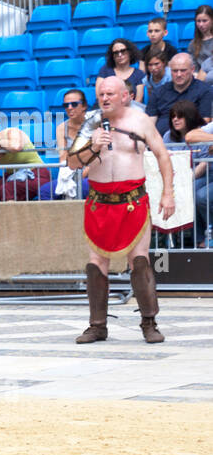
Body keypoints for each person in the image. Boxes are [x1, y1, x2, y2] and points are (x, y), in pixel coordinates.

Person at [67, 75, 175, 344]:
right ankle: (97, 326)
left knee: (139, 262)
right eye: (102, 94)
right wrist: (93, 145)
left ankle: (149, 322)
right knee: (96, 265)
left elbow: (162, 154)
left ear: (125, 96)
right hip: (99, 202)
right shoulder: (90, 123)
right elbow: (71, 163)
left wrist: (168, 192)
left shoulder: (141, 122)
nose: (104, 98)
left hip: (133, 202)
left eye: (110, 94)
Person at [0, 122, 51, 201]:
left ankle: (10, 215)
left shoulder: (10, 132)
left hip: (35, 175)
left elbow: (16, 147)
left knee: (8, 188)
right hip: (12, 177)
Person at [147, 53, 212, 137]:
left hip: (191, 143)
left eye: (183, 70)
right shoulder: (158, 92)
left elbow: (205, 122)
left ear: (192, 69)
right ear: (170, 71)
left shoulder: (205, 90)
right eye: (175, 71)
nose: (178, 74)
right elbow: (150, 122)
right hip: (161, 141)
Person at [42, 89, 89, 200]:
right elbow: (63, 157)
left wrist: (80, 175)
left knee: (83, 187)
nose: (69, 107)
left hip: (94, 174)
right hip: (71, 173)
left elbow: (99, 159)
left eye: (74, 104)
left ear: (84, 106)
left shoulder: (95, 124)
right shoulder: (62, 128)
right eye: (66, 105)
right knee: (44, 191)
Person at [98, 37, 145, 101]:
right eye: (116, 53)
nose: (120, 55)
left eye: (123, 51)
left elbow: (138, 99)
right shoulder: (105, 70)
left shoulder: (139, 74)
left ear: (130, 52)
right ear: (112, 56)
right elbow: (99, 93)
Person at [189, 4, 213, 79]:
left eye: (204, 21)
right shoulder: (193, 44)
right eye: (198, 21)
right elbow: (194, 67)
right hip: (201, 79)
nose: (201, 24)